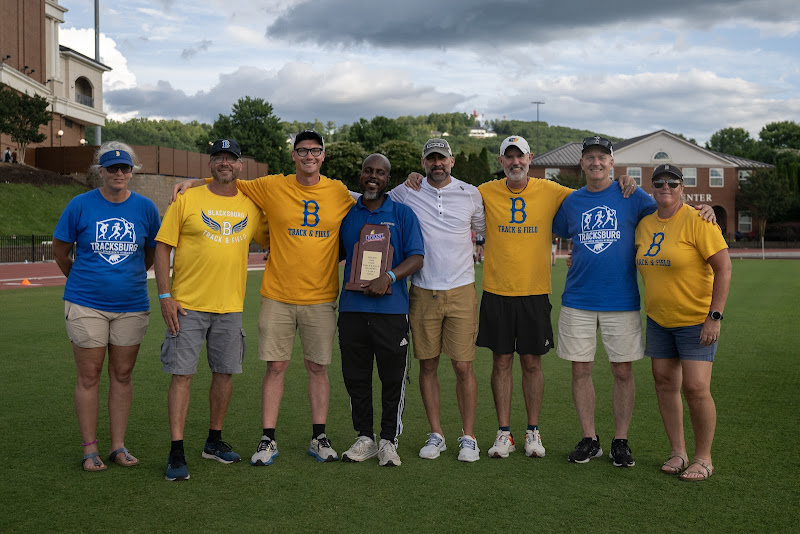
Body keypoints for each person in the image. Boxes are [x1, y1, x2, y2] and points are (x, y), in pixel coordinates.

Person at [173, 130, 355, 465]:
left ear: (323, 155)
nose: (309, 156)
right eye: (302, 150)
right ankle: (267, 439)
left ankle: (319, 437)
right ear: (294, 155)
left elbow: (371, 199)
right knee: (276, 367)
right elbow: (228, 180)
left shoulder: (339, 191)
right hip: (278, 295)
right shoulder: (272, 185)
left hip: (321, 296)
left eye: (315, 151)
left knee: (318, 367)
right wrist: (193, 181)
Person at [477, 135, 640, 459]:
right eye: (508, 158)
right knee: (501, 362)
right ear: (501, 162)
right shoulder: (483, 191)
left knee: (532, 363)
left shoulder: (552, 190)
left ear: (530, 158)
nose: (515, 163)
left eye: (520, 157)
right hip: (496, 290)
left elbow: (594, 193)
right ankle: (504, 433)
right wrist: (415, 179)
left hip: (536, 292)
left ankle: (533, 432)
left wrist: (623, 179)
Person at [155, 139, 267, 481]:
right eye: (218, 158)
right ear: (209, 165)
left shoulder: (250, 205)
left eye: (230, 159)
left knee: (224, 374)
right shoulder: (186, 199)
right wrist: (164, 296)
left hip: (230, 307)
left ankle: (213, 441)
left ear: (240, 166)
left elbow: (273, 238)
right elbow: (162, 249)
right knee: (182, 375)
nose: (224, 163)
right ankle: (177, 449)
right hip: (187, 305)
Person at [52, 142, 160, 472]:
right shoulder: (80, 205)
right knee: (89, 376)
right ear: (100, 171)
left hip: (131, 304)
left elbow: (151, 253)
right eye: (111, 168)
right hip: (86, 304)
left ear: (132, 171)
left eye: (124, 168)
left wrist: (127, 278)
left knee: (123, 375)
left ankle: (118, 446)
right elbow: (60, 251)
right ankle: (89, 449)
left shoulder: (145, 208)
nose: (118, 174)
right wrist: (82, 281)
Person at [552, 136, 657, 466]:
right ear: (581, 163)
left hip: (621, 299)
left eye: (602, 157)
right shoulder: (571, 202)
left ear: (612, 163)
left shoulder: (631, 194)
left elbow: (670, 213)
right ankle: (589, 438)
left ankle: (621, 440)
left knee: (622, 371)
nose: (596, 162)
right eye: (589, 158)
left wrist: (706, 210)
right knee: (580, 370)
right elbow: (561, 234)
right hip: (578, 298)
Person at [391, 138, 486, 462]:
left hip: (461, 289)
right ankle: (436, 434)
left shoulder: (470, 193)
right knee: (428, 364)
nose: (437, 164)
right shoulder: (407, 191)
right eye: (431, 159)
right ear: (423, 162)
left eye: (441, 159)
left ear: (452, 161)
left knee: (463, 366)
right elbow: (371, 201)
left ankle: (468, 436)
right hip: (423, 289)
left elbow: (483, 228)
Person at [635, 164, 731, 481]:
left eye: (672, 183)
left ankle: (703, 457)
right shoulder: (645, 224)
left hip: (696, 319)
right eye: (659, 182)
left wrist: (714, 316)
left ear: (682, 187)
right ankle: (678, 451)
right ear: (652, 187)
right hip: (659, 319)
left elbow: (724, 268)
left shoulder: (698, 220)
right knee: (664, 383)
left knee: (696, 387)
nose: (666, 187)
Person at [338, 154, 424, 467]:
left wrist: (387, 277)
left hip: (391, 310)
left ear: (389, 179)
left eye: (380, 173)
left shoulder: (402, 213)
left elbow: (417, 257)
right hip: (352, 310)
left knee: (392, 379)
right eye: (368, 171)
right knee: (356, 377)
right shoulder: (348, 214)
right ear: (360, 175)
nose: (373, 177)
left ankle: (389, 439)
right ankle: (365, 437)